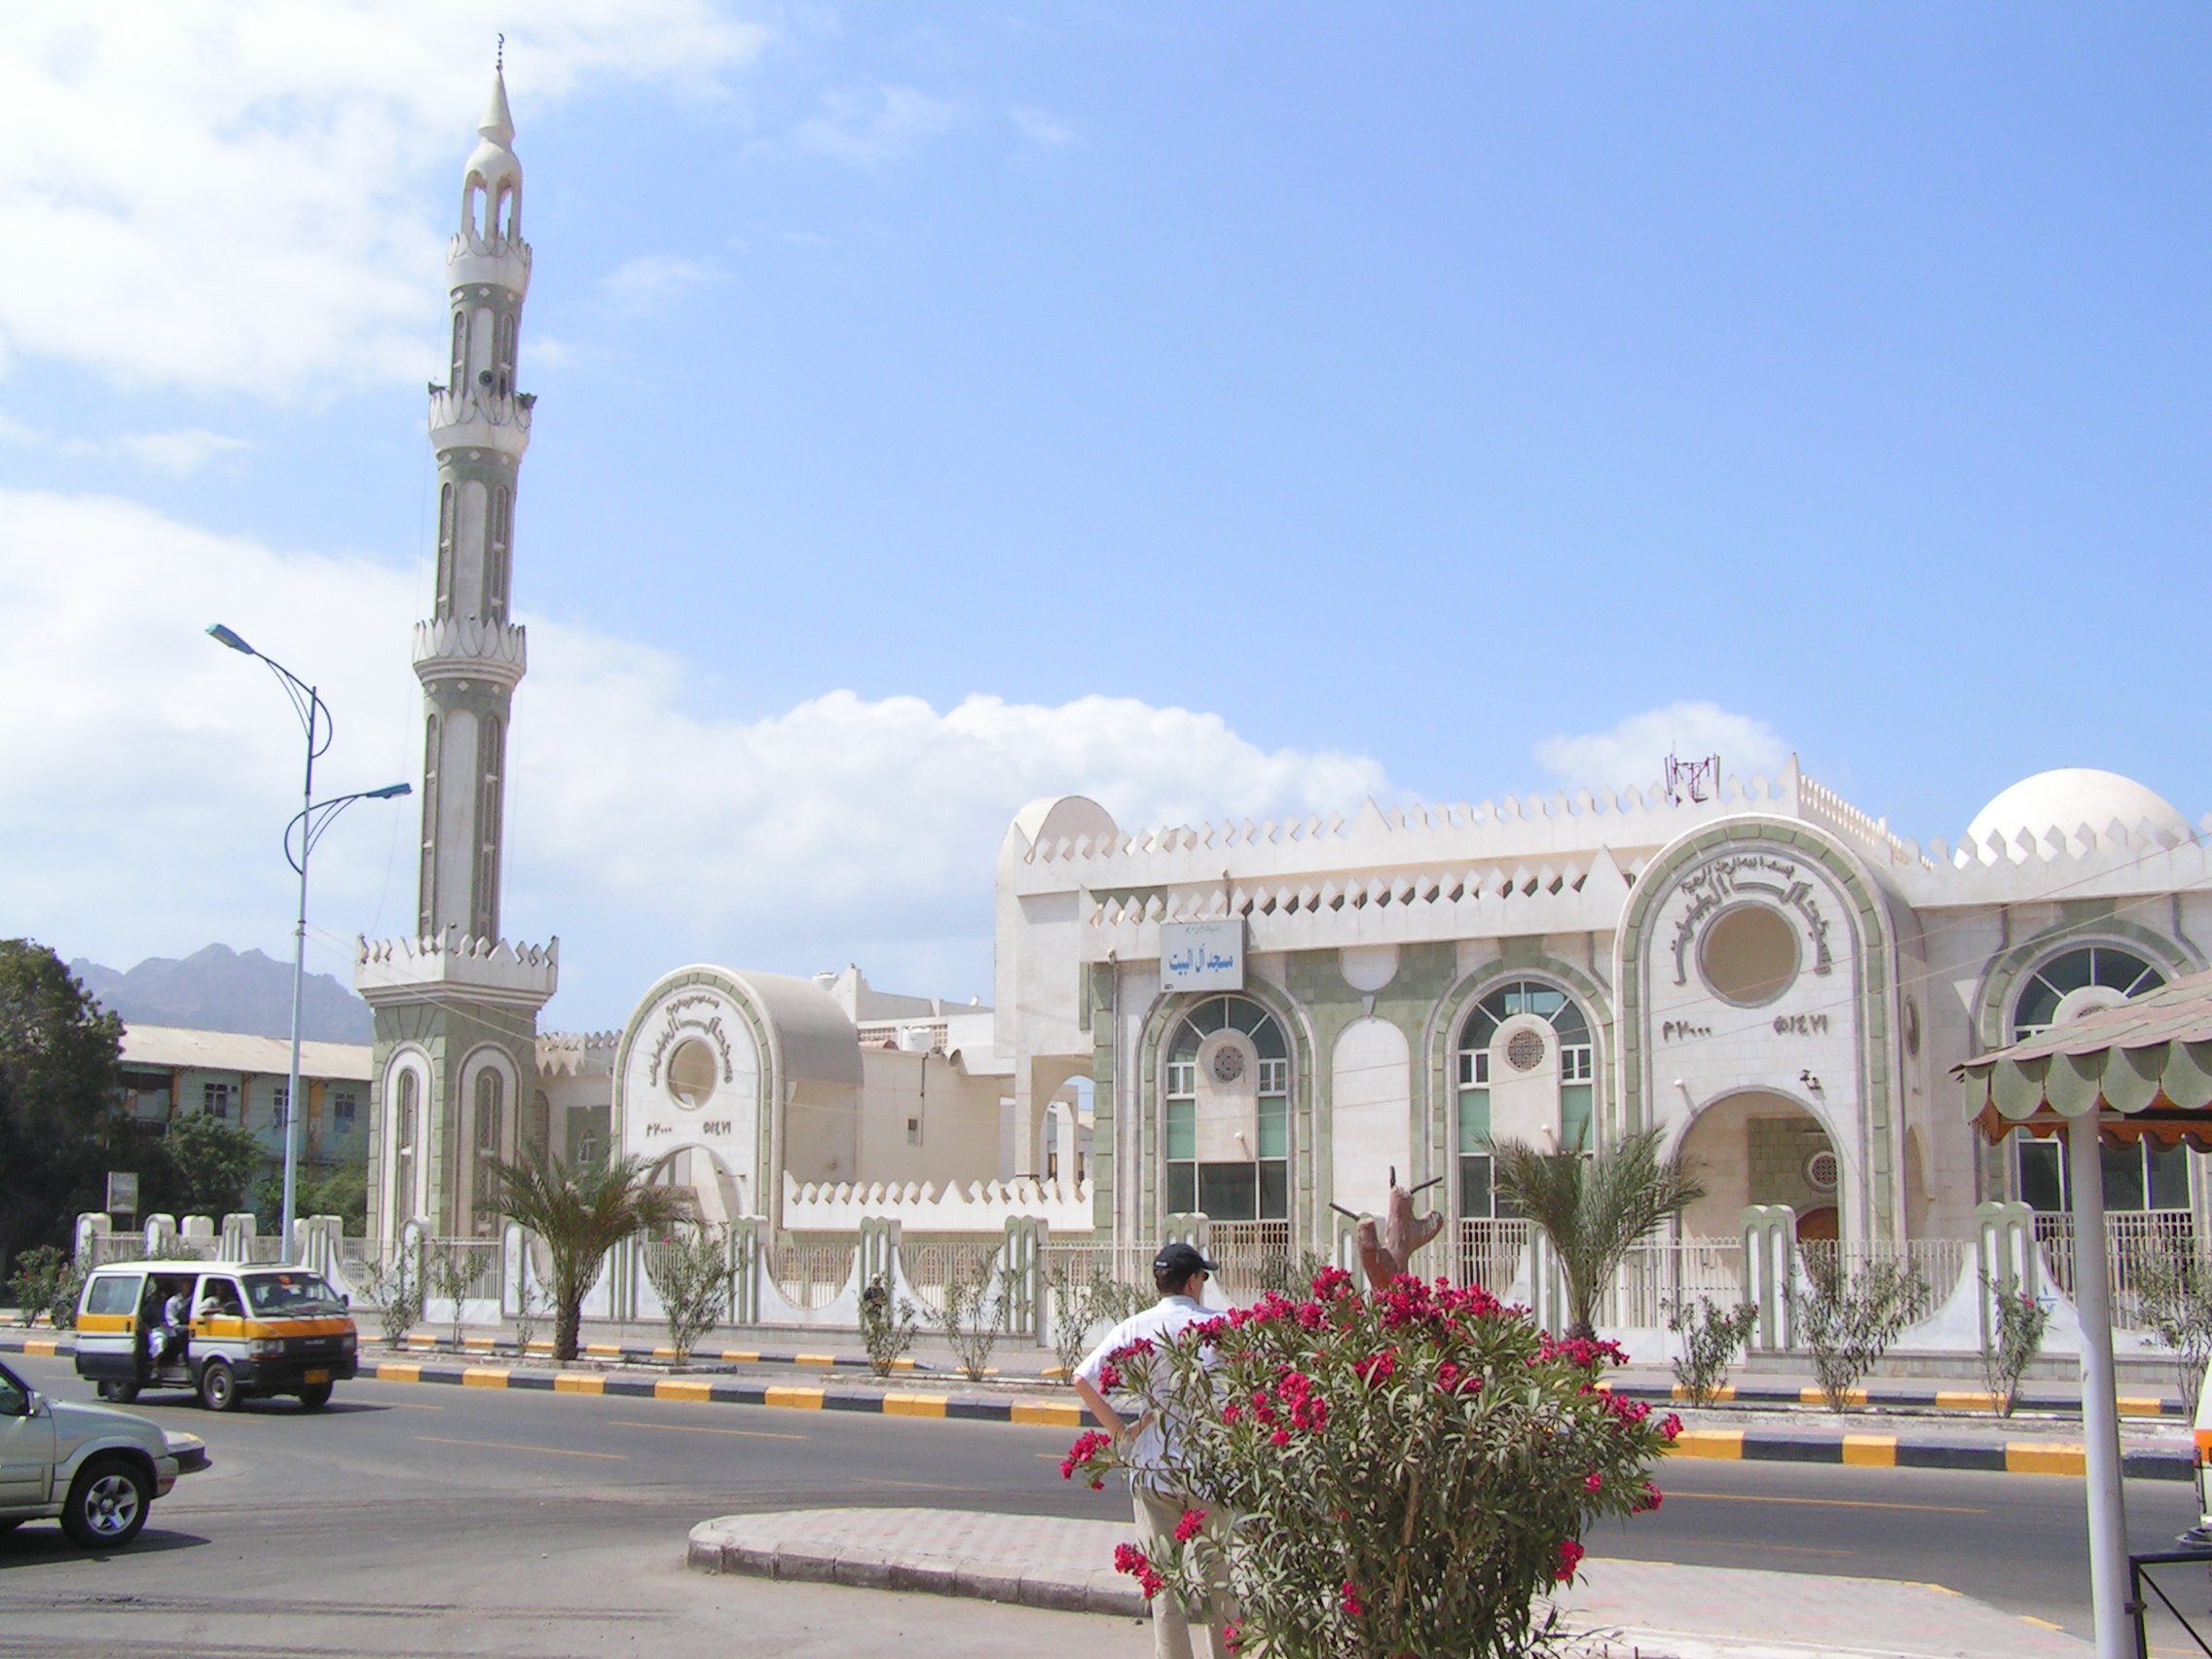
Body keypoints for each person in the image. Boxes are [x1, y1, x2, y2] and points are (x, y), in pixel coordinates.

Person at [1073, 1242, 1235, 1659]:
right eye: (1203, 1277)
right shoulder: (1220, 1325)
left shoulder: (1134, 1327)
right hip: (1207, 1467)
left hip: (1152, 1469)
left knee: (1165, 1583)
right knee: (1219, 1581)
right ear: (1193, 1280)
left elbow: (1082, 1378)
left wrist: (1121, 1433)